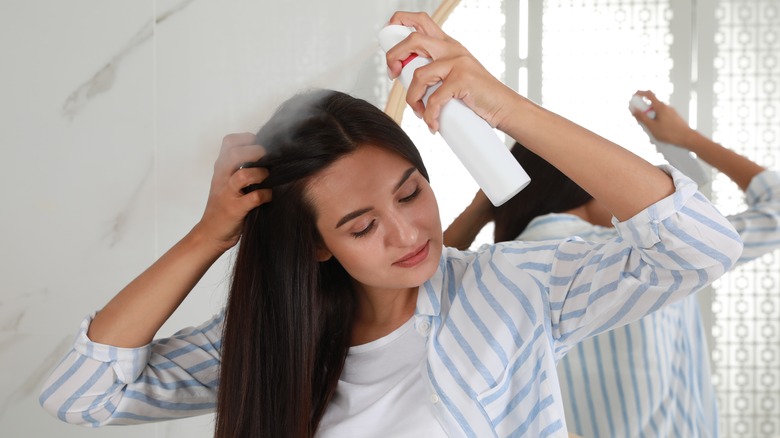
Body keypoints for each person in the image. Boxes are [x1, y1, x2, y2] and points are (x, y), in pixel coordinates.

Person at [39, 13, 742, 438]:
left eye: (411, 193)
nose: (408, 233)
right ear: (316, 243)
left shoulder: (509, 291)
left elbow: (701, 246)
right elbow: (82, 395)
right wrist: (211, 234)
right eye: (361, 224)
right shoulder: (274, 336)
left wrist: (502, 106)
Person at [444, 89, 780, 437]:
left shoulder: (501, 272)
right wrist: (684, 138)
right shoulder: (660, 248)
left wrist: (482, 208)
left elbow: (418, 296)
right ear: (585, 182)